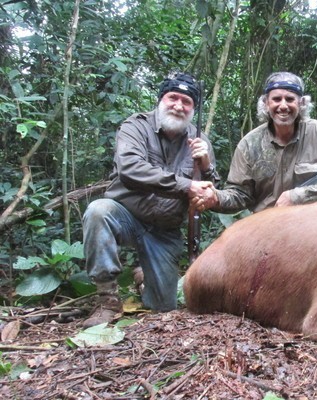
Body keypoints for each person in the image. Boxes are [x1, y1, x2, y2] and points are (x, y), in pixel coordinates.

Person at [81, 71, 219, 328]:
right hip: (126, 215)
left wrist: (207, 166)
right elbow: (130, 169)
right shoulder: (136, 126)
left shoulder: (200, 141)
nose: (178, 105)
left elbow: (210, 188)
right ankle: (107, 299)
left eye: (186, 101)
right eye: (173, 98)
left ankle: (142, 277)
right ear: (161, 99)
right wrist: (187, 185)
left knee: (163, 310)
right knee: (98, 211)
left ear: (193, 108)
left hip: (165, 230)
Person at [192, 71, 317, 214]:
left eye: (290, 99)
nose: (283, 106)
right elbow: (240, 195)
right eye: (276, 99)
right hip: (266, 228)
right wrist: (215, 197)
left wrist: (297, 196)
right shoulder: (249, 143)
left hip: (312, 225)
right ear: (266, 104)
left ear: (301, 103)